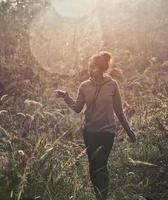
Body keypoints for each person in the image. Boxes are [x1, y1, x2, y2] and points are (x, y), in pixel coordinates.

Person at [54, 51, 136, 200]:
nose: (90, 70)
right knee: (93, 167)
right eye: (89, 67)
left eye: (94, 67)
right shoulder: (84, 86)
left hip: (107, 132)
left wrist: (129, 130)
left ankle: (102, 197)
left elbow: (119, 110)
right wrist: (66, 96)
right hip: (89, 132)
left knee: (101, 165)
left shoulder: (112, 84)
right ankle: (98, 195)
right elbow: (77, 108)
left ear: (102, 68)